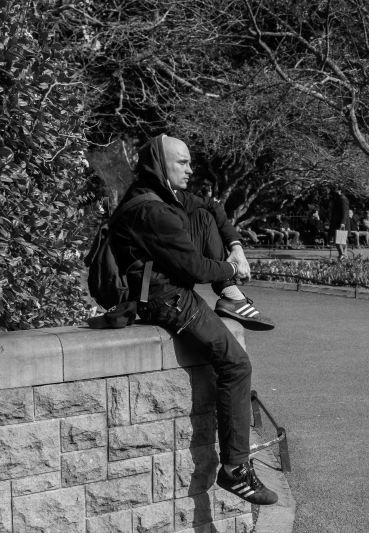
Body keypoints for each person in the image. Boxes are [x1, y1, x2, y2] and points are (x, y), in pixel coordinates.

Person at [111, 134, 278, 505]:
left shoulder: (166, 196)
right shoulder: (149, 210)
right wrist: (231, 266)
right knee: (236, 363)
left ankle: (231, 297)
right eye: (182, 163)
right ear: (160, 164)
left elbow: (213, 208)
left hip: (175, 289)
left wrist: (234, 243)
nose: (190, 169)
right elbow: (194, 267)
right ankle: (235, 468)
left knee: (204, 214)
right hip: (162, 298)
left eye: (189, 162)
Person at [328, 187, 349, 258]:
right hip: (336, 222)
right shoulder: (337, 199)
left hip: (341, 223)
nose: (334, 191)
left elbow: (345, 212)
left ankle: (343, 255)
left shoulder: (343, 199)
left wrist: (343, 222)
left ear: (340, 190)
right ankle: (342, 254)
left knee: (340, 240)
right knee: (338, 240)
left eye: (336, 189)